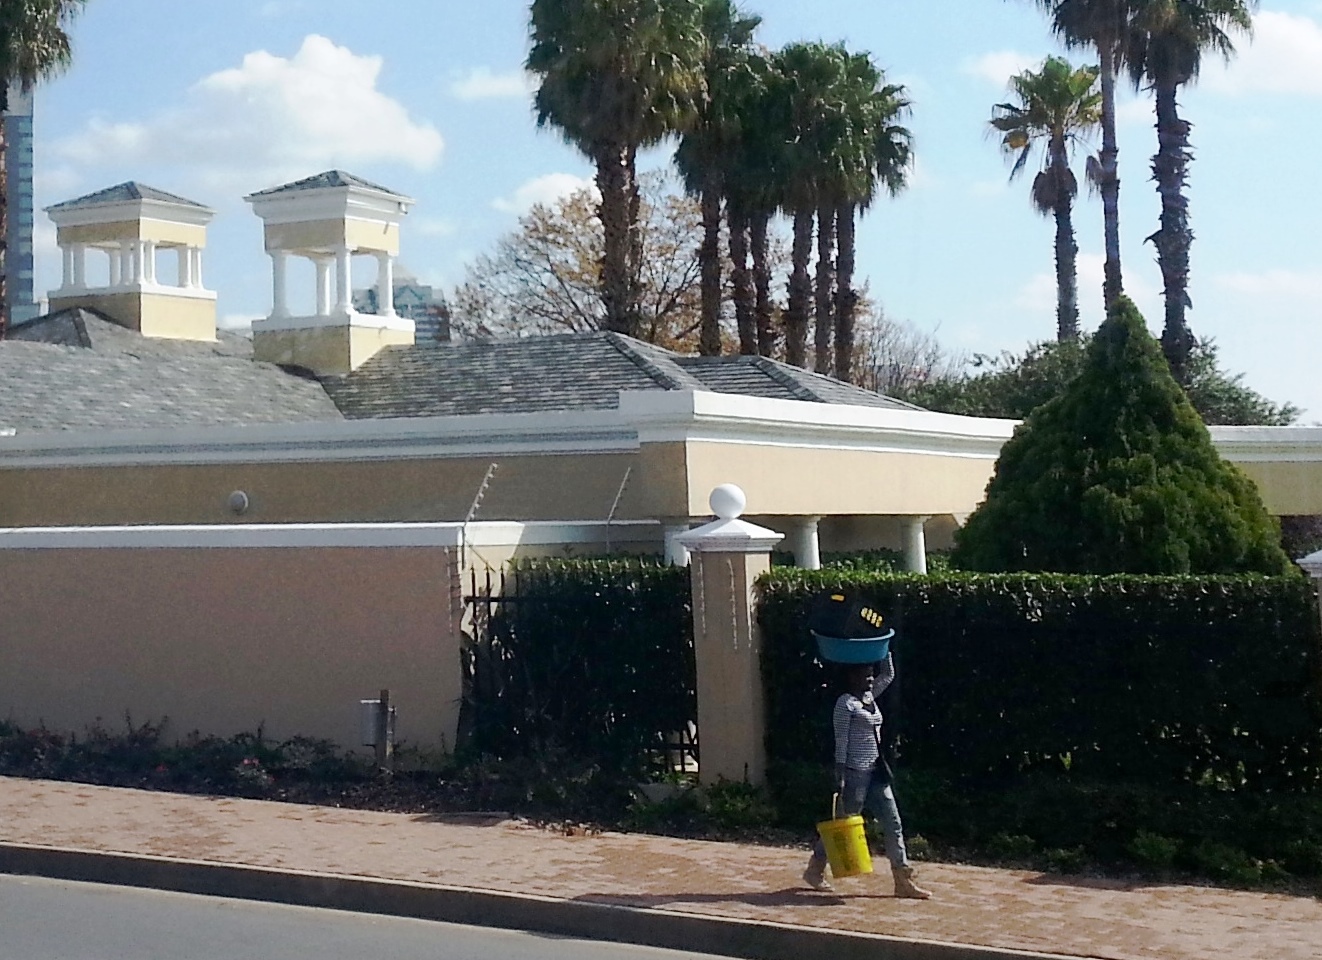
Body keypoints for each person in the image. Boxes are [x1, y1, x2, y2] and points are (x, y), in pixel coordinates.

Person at [802, 654, 932, 898]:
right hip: (855, 774)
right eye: (865, 675)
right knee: (844, 824)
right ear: (852, 677)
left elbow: (889, 675)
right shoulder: (845, 704)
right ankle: (815, 869)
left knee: (893, 822)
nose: (871, 679)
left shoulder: (870, 697)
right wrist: (840, 774)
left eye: (872, 674)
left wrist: (883, 649)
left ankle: (902, 879)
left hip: (876, 772)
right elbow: (841, 740)